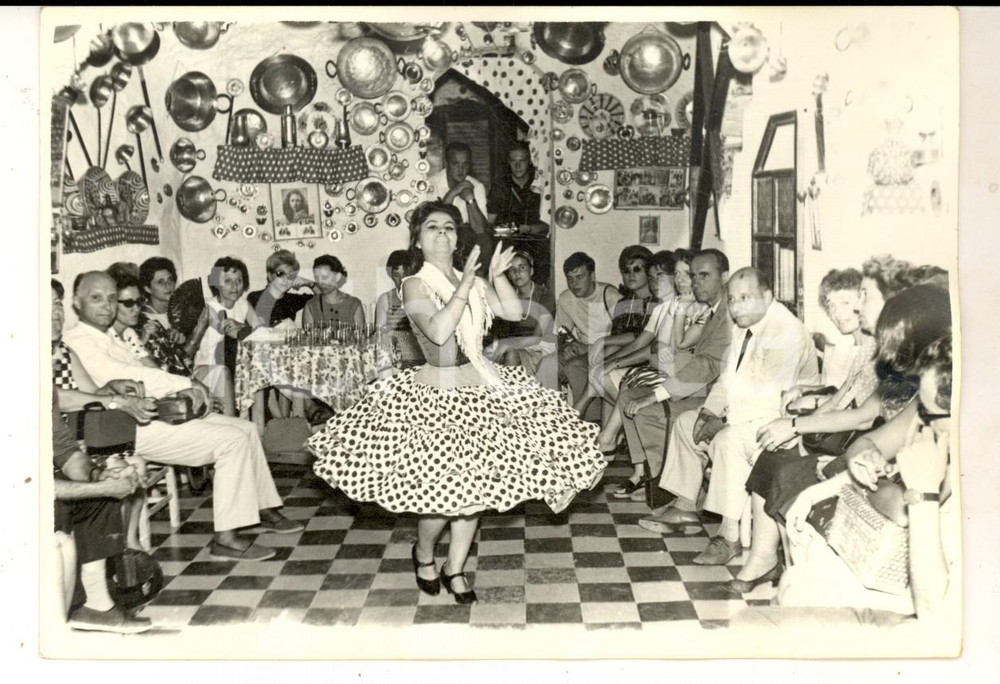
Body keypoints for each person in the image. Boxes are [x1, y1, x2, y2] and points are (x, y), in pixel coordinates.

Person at [306, 201, 607, 604]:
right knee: (443, 497)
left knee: (474, 492)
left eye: (449, 227)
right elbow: (439, 331)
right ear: (418, 237)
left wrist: (496, 278)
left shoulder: (471, 278)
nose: (443, 234)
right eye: (432, 227)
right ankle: (424, 553)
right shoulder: (414, 283)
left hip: (480, 383)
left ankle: (456, 568)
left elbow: (515, 312)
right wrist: (465, 285)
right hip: (439, 390)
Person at [62, 271, 303, 562]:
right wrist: (186, 384)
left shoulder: (114, 335)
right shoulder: (79, 340)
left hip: (151, 414)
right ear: (76, 302)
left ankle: (261, 507)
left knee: (247, 428)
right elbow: (129, 376)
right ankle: (226, 537)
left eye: (112, 298)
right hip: (126, 430)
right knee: (232, 441)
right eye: (96, 298)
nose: (107, 306)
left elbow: (148, 370)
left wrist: (183, 388)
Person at [739, 283, 952, 589]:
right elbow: (867, 436)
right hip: (879, 474)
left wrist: (850, 471)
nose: (855, 309)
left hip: (909, 552)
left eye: (862, 299)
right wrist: (861, 457)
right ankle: (771, 562)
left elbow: (902, 508)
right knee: (784, 471)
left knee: (790, 474)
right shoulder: (922, 397)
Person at [639, 267, 821, 569]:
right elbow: (728, 378)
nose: (736, 306)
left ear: (767, 296)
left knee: (727, 441)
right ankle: (685, 505)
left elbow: (769, 400)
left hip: (785, 425)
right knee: (687, 423)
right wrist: (709, 411)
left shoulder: (785, 332)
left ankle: (730, 536)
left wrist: (722, 423)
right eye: (733, 299)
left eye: (745, 298)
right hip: (750, 413)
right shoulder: (743, 325)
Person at [615, 249, 734, 498]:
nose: (695, 281)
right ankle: (651, 474)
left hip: (713, 398)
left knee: (646, 408)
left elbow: (705, 365)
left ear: (724, 277)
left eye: (704, 275)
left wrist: (655, 395)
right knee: (628, 397)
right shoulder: (713, 309)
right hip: (696, 385)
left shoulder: (727, 314)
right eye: (693, 275)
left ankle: (664, 486)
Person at [52, 387, 154, 634]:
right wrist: (99, 489)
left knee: (100, 494)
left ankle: (96, 606)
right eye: (51, 349)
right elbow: (31, 486)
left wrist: (99, 475)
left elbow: (66, 453)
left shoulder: (39, 387)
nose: (57, 355)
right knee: (97, 493)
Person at [548, 251, 623, 407]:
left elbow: (623, 338)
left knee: (574, 366)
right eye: (570, 279)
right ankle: (554, 414)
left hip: (609, 350)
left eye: (580, 277)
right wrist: (567, 346)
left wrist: (588, 348)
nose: (574, 284)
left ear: (593, 276)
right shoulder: (566, 298)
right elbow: (562, 332)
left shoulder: (610, 296)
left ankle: (589, 421)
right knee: (548, 364)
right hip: (582, 349)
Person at [189, 257, 253, 417]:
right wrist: (240, 328)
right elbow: (225, 329)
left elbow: (260, 330)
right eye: (228, 281)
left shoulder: (243, 304)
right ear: (216, 284)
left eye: (238, 280)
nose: (234, 286)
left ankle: (256, 428)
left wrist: (243, 326)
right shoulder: (207, 306)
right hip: (206, 369)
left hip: (234, 366)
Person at [485, 250, 558, 388]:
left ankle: (510, 402)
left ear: (531, 271)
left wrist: (506, 345)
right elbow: (499, 331)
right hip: (513, 346)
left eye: (522, 267)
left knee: (510, 355)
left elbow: (537, 336)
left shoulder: (545, 295)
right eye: (512, 269)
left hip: (541, 347)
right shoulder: (508, 295)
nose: (516, 273)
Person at [375, 250, 425, 371]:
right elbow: (379, 337)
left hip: (424, 362)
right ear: (391, 275)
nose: (402, 281)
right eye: (397, 276)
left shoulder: (426, 298)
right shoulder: (386, 299)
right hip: (396, 364)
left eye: (406, 276)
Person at [486, 141, 548, 236]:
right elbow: (489, 223)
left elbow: (552, 223)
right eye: (513, 160)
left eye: (522, 160)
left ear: (530, 161)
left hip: (538, 242)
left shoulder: (540, 184)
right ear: (508, 161)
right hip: (507, 242)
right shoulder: (499, 187)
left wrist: (531, 229)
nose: (517, 166)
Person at [246, 249, 313, 328]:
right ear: (270, 276)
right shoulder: (255, 297)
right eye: (280, 273)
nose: (285, 279)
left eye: (290, 276)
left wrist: (310, 284)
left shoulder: (292, 300)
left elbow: (324, 299)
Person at [302, 255, 365, 327]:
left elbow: (361, 335)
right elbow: (308, 337)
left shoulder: (354, 304)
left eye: (324, 277)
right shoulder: (311, 305)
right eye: (316, 278)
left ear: (337, 277)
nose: (320, 282)